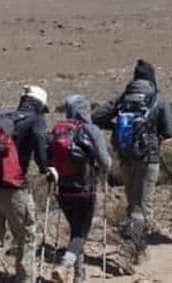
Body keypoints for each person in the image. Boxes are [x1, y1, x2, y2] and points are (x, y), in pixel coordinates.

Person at [92, 59, 172, 263]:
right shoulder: (157, 98)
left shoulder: (124, 98)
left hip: (125, 157)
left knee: (133, 205)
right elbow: (169, 130)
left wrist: (116, 127)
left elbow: (97, 116)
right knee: (143, 208)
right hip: (149, 158)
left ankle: (141, 252)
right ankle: (127, 250)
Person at [0, 86, 53, 283]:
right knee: (26, 240)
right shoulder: (36, 121)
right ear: (40, 105)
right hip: (14, 191)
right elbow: (41, 145)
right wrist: (46, 168)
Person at [49, 94, 112, 283]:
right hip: (84, 189)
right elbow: (106, 162)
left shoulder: (57, 131)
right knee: (81, 232)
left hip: (62, 190)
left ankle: (79, 275)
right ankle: (64, 265)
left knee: (75, 228)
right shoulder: (90, 129)